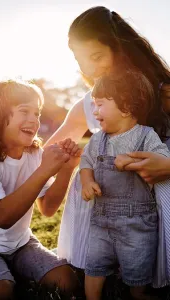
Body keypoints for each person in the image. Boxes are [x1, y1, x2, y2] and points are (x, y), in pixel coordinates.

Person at [41, 6, 170, 278]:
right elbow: (44, 154)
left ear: (120, 49)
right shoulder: (90, 103)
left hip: (161, 199)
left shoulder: (164, 91)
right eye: (80, 61)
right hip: (115, 208)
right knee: (85, 170)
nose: (89, 69)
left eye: (97, 56)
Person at [0, 79, 80, 300]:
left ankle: (12, 267)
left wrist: (67, 169)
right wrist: (43, 172)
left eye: (37, 113)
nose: (34, 120)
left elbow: (48, 208)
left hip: (21, 244)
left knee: (67, 282)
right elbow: (3, 217)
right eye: (24, 111)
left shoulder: (33, 154)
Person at [79, 71, 170, 300]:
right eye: (93, 105)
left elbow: (162, 161)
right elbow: (86, 162)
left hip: (138, 225)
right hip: (101, 222)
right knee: (94, 266)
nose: (95, 112)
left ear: (126, 107)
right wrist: (87, 181)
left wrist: (131, 161)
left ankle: (138, 293)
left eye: (99, 105)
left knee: (137, 269)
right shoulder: (98, 139)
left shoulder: (146, 136)